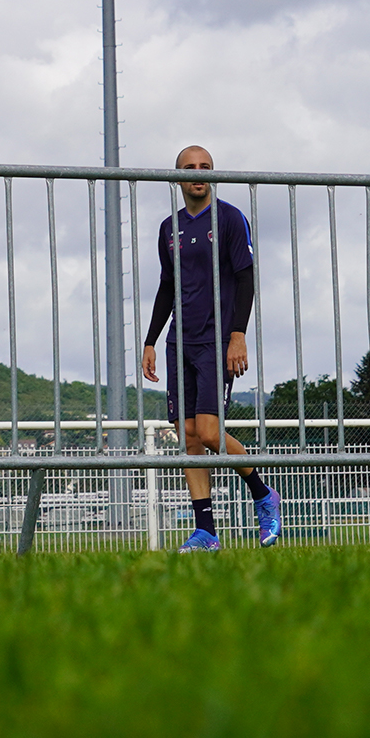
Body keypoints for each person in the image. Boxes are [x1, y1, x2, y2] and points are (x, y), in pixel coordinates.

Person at [142, 145, 282, 552]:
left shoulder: (230, 219)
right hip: (178, 341)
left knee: (207, 430)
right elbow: (167, 286)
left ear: (213, 174)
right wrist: (150, 340)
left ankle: (263, 494)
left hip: (216, 340)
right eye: (190, 168)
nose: (198, 173)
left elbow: (246, 278)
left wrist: (237, 334)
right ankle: (206, 532)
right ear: (178, 178)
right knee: (187, 436)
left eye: (205, 167)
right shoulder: (169, 228)